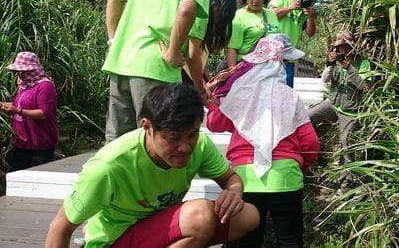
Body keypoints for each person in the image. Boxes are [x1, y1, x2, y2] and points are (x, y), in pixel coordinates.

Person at [44, 84, 259, 248]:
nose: (185, 147)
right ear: (147, 126)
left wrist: (234, 192)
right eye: (173, 138)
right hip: (115, 240)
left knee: (248, 215)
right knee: (199, 216)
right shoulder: (109, 166)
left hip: (156, 231)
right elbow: (60, 227)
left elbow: (231, 178)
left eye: (192, 135)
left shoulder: (200, 145)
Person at [102, 0, 232, 143]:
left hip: (121, 61)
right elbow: (187, 10)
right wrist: (172, 52)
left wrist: (113, 41)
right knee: (152, 140)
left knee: (117, 141)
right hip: (155, 68)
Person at [207, 37, 319, 247]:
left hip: (244, 179)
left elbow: (214, 123)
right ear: (281, 64)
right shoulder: (289, 96)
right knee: (289, 239)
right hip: (286, 177)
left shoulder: (239, 92)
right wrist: (301, 166)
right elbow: (310, 141)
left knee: (247, 240)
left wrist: (216, 100)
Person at [307, 31, 369, 165]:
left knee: (346, 140)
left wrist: (349, 68)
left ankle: (346, 180)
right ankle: (314, 159)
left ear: (352, 47)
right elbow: (324, 80)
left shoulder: (362, 63)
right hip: (333, 105)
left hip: (350, 110)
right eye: (340, 47)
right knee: (306, 116)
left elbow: (364, 87)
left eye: (346, 47)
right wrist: (329, 65)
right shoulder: (334, 61)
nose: (343, 50)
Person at [0, 51, 58, 171]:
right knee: (18, 176)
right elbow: (22, 106)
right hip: (22, 142)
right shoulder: (24, 85)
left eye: (23, 71)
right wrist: (8, 107)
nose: (19, 74)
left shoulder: (44, 86)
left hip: (40, 143)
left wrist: (17, 110)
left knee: (39, 178)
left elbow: (44, 114)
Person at [181, 0, 236, 85]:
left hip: (192, 78)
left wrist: (206, 77)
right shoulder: (198, 19)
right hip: (181, 77)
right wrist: (202, 87)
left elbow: (199, 56)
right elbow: (188, 59)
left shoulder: (209, 30)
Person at [223, 0, 280, 70]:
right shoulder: (239, 16)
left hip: (269, 68)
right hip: (247, 68)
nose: (255, 1)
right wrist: (232, 73)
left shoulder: (271, 14)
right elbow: (232, 48)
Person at [268, 0, 317, 87]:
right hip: (271, 55)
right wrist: (290, 7)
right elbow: (270, 15)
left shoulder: (304, 12)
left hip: (288, 60)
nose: (307, 1)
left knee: (285, 94)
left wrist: (310, 17)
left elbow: (310, 33)